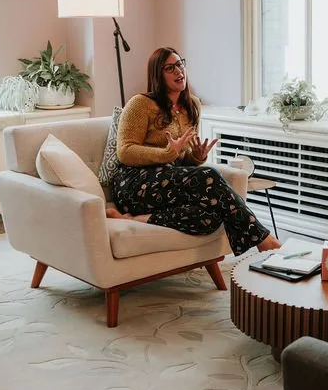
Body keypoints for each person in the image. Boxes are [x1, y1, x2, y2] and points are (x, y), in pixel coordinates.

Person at [108, 47, 283, 255]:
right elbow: (125, 151)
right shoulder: (140, 104)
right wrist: (166, 154)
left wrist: (196, 157)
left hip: (167, 183)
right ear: (158, 74)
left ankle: (137, 219)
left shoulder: (192, 105)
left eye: (180, 64)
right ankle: (264, 240)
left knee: (210, 216)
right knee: (210, 174)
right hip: (134, 184)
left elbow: (182, 163)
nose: (178, 71)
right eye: (170, 68)